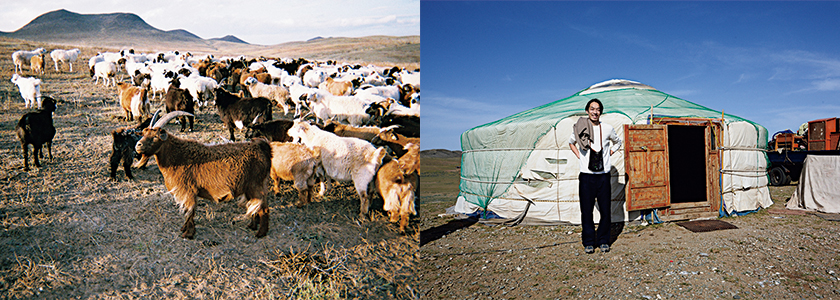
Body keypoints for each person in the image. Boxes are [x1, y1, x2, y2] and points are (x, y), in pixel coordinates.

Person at [569, 98, 622, 254]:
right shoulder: (580, 128)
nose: (595, 112)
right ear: (587, 111)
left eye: (598, 109)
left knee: (605, 210)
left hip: (603, 176)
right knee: (586, 210)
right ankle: (589, 241)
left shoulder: (607, 128)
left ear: (601, 112)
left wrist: (610, 152)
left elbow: (618, 142)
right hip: (586, 176)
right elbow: (571, 142)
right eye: (592, 109)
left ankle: (604, 240)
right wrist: (580, 156)